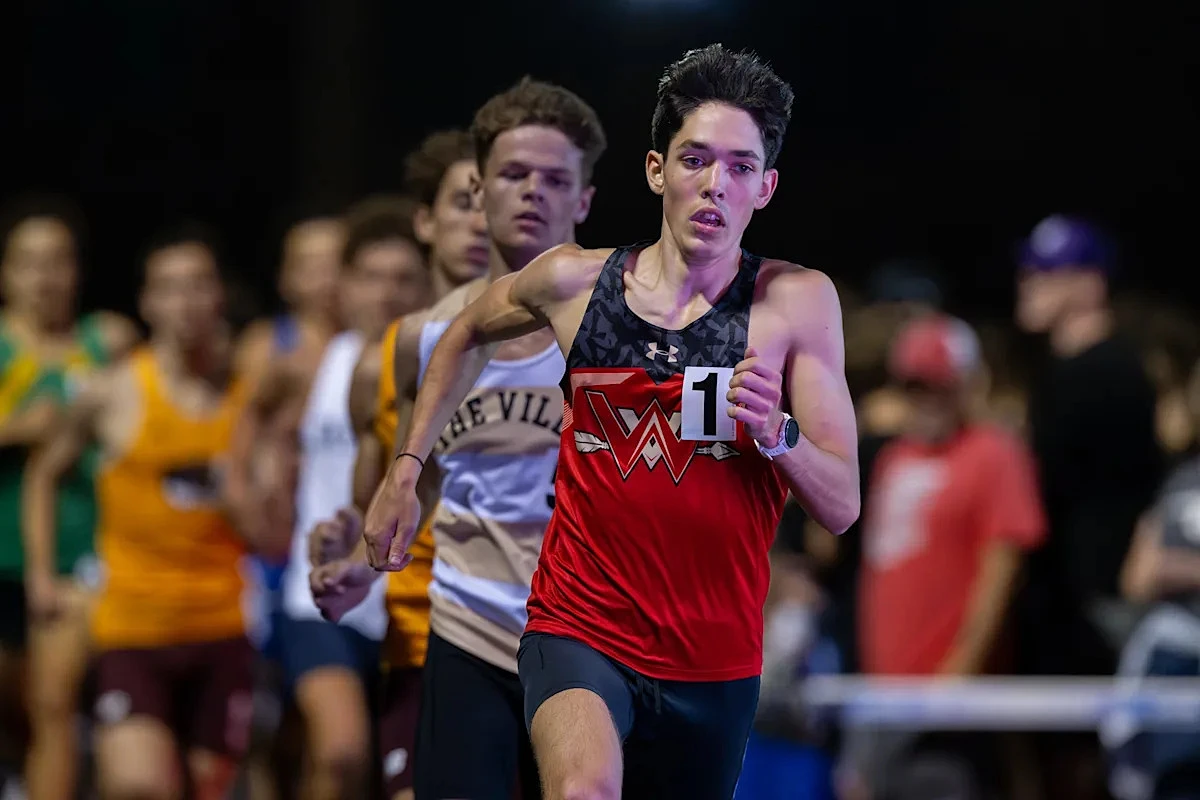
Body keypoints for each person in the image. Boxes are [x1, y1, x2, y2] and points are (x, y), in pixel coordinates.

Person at [353, 44, 860, 799]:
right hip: (578, 626)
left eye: (740, 167)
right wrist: (406, 467)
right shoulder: (574, 282)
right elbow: (462, 331)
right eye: (695, 160)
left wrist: (778, 434)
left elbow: (842, 503)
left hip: (712, 660)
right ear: (657, 169)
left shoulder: (794, 303)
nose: (715, 184)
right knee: (582, 789)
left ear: (766, 186)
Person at [311, 78, 606, 799]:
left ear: (584, 200)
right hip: (466, 625)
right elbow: (419, 486)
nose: (532, 192)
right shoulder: (422, 339)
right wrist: (359, 565)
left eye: (555, 179)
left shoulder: (626, 325)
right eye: (513, 174)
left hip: (589, 636)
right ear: (480, 188)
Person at [24, 226, 251, 800]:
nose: (186, 302)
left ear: (219, 296)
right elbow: (43, 474)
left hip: (223, 624)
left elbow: (272, 517)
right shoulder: (111, 391)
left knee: (209, 788)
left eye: (199, 285)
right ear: (148, 302)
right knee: (138, 785)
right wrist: (43, 575)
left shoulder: (247, 394)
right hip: (134, 626)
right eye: (170, 288)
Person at [231, 197, 429, 800]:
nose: (385, 293)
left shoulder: (437, 363)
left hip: (407, 600)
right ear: (343, 284)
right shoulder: (311, 362)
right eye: (370, 277)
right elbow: (250, 426)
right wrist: (254, 502)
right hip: (317, 593)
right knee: (340, 753)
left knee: (395, 774)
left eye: (402, 278)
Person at [837, 314, 1047, 800]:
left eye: (939, 385)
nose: (927, 398)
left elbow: (1002, 573)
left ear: (967, 385)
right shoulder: (892, 458)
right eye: (915, 386)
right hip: (880, 695)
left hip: (948, 705)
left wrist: (958, 674)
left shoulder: (994, 454)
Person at [337, 129, 487, 800]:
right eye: (463, 201)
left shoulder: (559, 341)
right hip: (423, 635)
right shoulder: (385, 360)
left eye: (491, 199)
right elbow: (368, 508)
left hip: (537, 637)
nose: (480, 220)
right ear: (425, 221)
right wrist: (342, 553)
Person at [0, 201, 139, 800]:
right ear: (7, 271)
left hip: (78, 559)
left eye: (57, 261)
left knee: (55, 707)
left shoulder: (106, 342)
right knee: (19, 711)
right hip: (2, 558)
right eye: (29, 262)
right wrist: (16, 428)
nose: (45, 277)